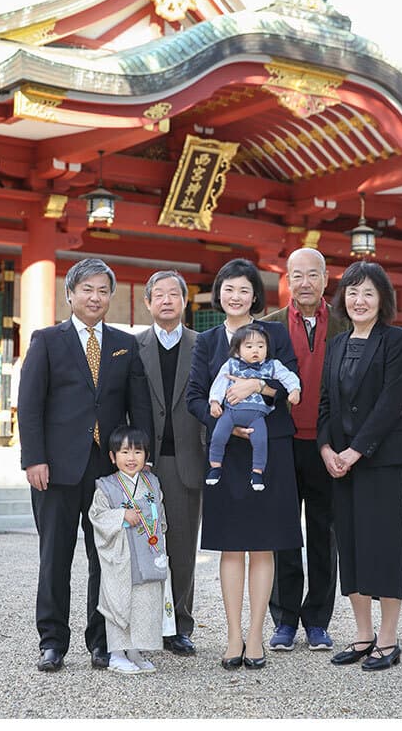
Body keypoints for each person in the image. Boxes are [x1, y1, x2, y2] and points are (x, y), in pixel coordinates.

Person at [17, 258, 154, 673]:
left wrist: (139, 462)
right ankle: (53, 642)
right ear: (71, 294)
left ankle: (101, 642)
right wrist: (34, 459)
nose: (95, 297)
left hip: (107, 474)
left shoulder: (123, 344)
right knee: (54, 557)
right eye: (87, 289)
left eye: (103, 291)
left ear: (110, 297)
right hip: (56, 470)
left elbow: (139, 408)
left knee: (107, 559)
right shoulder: (46, 340)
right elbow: (30, 405)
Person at [186, 258, 302, 670]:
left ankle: (257, 635)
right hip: (226, 452)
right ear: (219, 294)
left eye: (244, 290)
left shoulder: (274, 334)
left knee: (263, 543)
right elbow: (195, 397)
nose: (235, 297)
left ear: (256, 296)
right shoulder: (207, 342)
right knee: (231, 545)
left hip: (268, 449)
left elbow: (291, 383)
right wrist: (223, 422)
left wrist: (259, 385)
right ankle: (233, 634)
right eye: (228, 289)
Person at [317, 260, 402, 671]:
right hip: (339, 460)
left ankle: (388, 639)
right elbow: (325, 402)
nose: (359, 300)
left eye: (368, 293)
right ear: (344, 299)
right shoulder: (337, 344)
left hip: (381, 459)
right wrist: (326, 449)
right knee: (351, 546)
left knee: (384, 546)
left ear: (382, 300)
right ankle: (362, 635)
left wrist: (355, 451)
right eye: (353, 292)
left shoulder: (397, 340)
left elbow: (392, 402)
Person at [263, 247, 349, 652]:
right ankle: (284, 619)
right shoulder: (270, 326)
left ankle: (317, 620)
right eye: (296, 275)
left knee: (322, 532)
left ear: (326, 278)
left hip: (327, 445)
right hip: (282, 441)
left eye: (312, 275)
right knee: (283, 532)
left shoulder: (348, 324)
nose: (304, 283)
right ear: (287, 280)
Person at [136, 270, 207, 657]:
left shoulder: (204, 346)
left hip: (186, 462)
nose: (166, 300)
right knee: (143, 547)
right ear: (148, 303)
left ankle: (179, 625)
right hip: (142, 465)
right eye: (158, 294)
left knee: (181, 548)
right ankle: (144, 626)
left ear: (184, 302)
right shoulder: (132, 346)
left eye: (173, 294)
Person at [89, 425, 171, 674]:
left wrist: (159, 534)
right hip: (121, 554)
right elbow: (97, 515)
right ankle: (115, 653)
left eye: (137, 452)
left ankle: (134, 649)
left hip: (147, 550)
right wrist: (121, 515)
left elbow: (160, 512)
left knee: (144, 600)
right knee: (120, 600)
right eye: (124, 452)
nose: (131, 458)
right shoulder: (106, 486)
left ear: (146, 455)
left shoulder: (152, 482)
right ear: (113, 457)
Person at [207, 323, 301, 491]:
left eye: (260, 345)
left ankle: (257, 472)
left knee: (260, 441)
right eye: (249, 346)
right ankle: (215, 466)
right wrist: (214, 401)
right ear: (238, 350)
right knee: (218, 436)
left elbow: (289, 377)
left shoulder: (272, 365)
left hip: (257, 416)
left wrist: (294, 390)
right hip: (231, 412)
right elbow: (219, 383)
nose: (255, 350)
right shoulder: (231, 365)